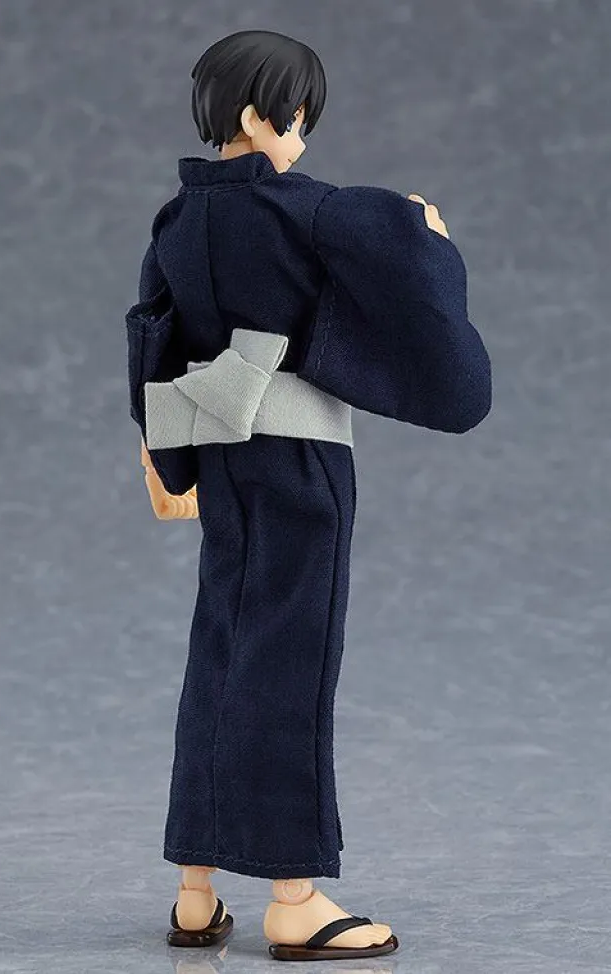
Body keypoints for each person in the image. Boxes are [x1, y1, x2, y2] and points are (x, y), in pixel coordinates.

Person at [127, 29, 492, 962]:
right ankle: (294, 896)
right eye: (297, 118)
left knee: (221, 648)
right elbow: (408, 262)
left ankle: (196, 889)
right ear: (261, 116)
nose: (301, 136)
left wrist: (166, 461)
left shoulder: (178, 221)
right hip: (300, 457)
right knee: (293, 655)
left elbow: (152, 337)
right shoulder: (313, 211)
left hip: (220, 456)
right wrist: (427, 236)